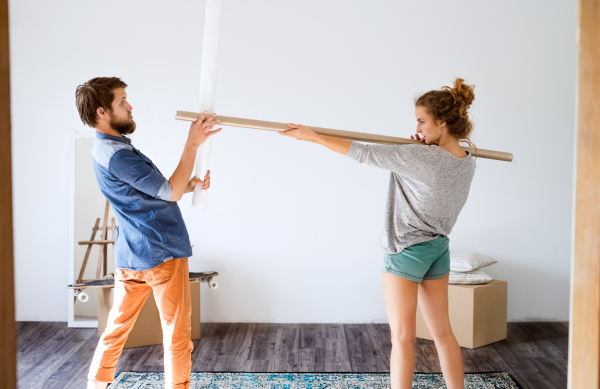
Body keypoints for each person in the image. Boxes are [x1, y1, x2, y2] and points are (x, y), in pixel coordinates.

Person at [279, 78, 476, 389]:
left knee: (402, 337)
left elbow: (363, 153)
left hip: (406, 251)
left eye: (422, 121)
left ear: (443, 122)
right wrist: (423, 145)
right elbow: (429, 166)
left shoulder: (420, 157)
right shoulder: (467, 162)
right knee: (443, 332)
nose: (419, 128)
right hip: (438, 249)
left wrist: (313, 137)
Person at [75, 77, 221, 389]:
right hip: (161, 252)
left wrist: (189, 184)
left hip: (131, 254)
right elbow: (168, 192)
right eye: (122, 101)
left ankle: (96, 384)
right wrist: (192, 143)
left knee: (117, 327)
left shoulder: (104, 150)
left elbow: (151, 192)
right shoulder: (120, 155)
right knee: (176, 332)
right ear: (102, 111)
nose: (130, 106)